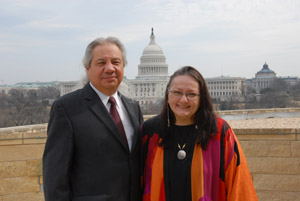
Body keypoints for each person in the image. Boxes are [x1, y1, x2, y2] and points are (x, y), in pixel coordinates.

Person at [43, 37, 143, 201]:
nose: (110, 68)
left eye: (116, 62)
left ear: (123, 67)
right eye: (101, 62)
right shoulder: (66, 108)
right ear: (87, 67)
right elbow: (55, 177)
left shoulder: (133, 107)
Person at [141, 66, 258, 201]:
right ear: (167, 95)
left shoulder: (219, 133)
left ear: (201, 98)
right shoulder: (149, 133)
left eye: (191, 94)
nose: (183, 100)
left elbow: (239, 188)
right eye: (177, 93)